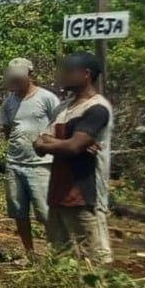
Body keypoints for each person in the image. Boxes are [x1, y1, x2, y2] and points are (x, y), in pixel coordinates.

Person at [34, 52, 113, 265]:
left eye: (68, 72)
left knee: (93, 258)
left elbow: (73, 147)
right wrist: (64, 144)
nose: (63, 76)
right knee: (61, 255)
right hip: (59, 192)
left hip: (85, 194)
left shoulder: (97, 108)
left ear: (86, 74)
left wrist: (60, 144)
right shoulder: (63, 108)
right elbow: (39, 144)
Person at [0, 58, 61, 257]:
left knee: (45, 212)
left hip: (41, 164)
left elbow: (59, 126)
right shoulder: (9, 101)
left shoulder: (46, 98)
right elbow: (7, 129)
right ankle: (30, 253)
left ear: (29, 75)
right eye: (13, 78)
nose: (16, 82)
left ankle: (56, 254)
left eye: (19, 78)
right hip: (15, 163)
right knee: (18, 211)